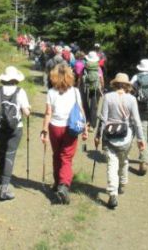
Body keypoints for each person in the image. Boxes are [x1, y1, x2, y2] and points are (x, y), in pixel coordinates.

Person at [95, 73, 146, 209]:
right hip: (126, 136)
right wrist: (141, 139)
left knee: (112, 163)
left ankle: (112, 193)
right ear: (127, 85)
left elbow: (103, 119)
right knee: (123, 161)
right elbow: (136, 121)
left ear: (115, 84)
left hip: (109, 136)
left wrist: (98, 135)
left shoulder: (107, 97)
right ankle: (122, 184)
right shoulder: (131, 99)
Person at [40, 63, 88, 204]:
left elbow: (48, 113)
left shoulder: (51, 92)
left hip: (55, 127)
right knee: (66, 157)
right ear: (69, 77)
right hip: (70, 128)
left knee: (57, 155)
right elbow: (80, 110)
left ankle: (56, 183)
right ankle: (64, 185)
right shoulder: (74, 91)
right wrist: (85, 127)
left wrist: (44, 130)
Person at [0, 66, 31, 201]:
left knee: (1, 151)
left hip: (0, 126)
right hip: (15, 127)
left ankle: (1, 179)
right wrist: (29, 110)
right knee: (10, 154)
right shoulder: (20, 91)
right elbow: (26, 113)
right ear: (16, 79)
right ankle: (4, 189)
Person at [79, 51, 103, 130]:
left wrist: (78, 87)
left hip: (85, 88)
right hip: (95, 88)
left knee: (85, 104)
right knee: (94, 106)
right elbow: (101, 79)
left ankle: (86, 122)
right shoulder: (98, 68)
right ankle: (93, 125)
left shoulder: (84, 67)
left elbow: (80, 78)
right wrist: (102, 87)